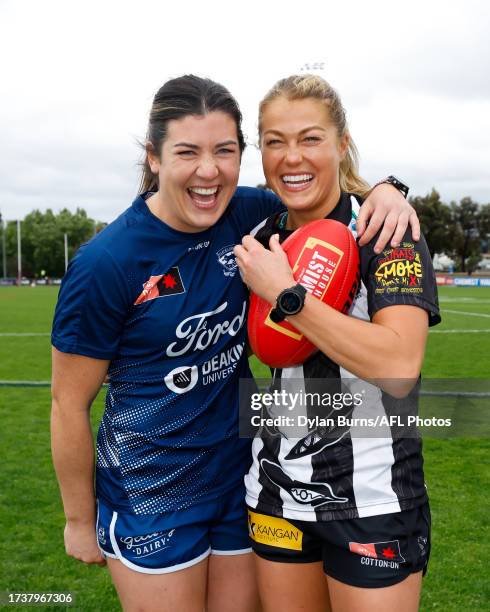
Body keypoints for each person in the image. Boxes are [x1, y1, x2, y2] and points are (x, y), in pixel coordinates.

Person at [51, 74, 420, 612]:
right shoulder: (107, 263)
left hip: (241, 481)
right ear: (153, 157)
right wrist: (79, 520)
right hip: (152, 492)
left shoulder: (245, 216)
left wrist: (386, 187)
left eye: (225, 151)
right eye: (187, 152)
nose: (209, 170)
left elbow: (318, 186)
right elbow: (67, 403)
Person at [234, 75, 440, 612]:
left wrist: (287, 295)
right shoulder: (258, 236)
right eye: (274, 141)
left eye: (310, 138)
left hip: (375, 497)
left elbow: (398, 362)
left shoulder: (384, 227)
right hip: (276, 492)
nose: (291, 157)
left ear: (342, 144)